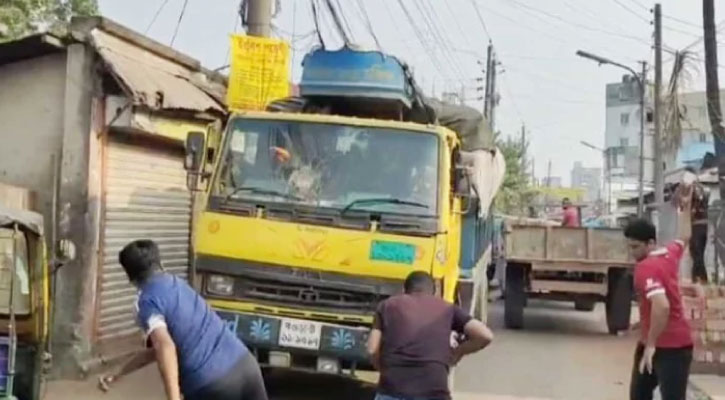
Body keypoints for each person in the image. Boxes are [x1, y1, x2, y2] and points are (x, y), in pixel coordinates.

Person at [100, 239, 267, 400]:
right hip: (245, 366)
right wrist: (120, 372)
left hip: (212, 384)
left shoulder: (147, 301)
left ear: (131, 278)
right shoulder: (177, 284)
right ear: (160, 264)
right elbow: (163, 347)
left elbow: (165, 347)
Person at [367, 271, 494, 400]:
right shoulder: (447, 308)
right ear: (435, 292)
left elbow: (372, 349)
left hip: (392, 391)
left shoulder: (387, 306)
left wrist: (383, 369)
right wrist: (456, 353)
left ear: (404, 290)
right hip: (434, 392)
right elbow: (485, 335)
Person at [624, 219, 693, 400]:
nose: (632, 252)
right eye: (630, 247)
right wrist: (684, 208)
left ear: (651, 243)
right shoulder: (669, 254)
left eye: (636, 247)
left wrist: (651, 344)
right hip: (670, 344)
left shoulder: (646, 267)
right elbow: (684, 236)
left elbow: (662, 305)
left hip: (670, 348)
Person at [673, 167, 710, 283]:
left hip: (697, 225)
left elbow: (684, 201)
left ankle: (699, 279)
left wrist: (683, 188)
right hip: (702, 225)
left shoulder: (694, 188)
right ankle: (701, 279)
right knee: (697, 253)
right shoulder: (700, 188)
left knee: (696, 253)